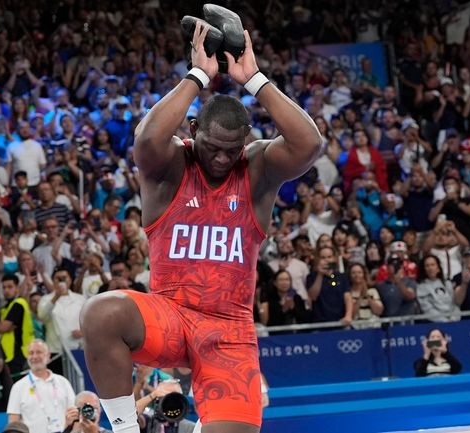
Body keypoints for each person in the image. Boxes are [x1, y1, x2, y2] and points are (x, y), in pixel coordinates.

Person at [80, 21, 322, 433]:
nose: (223, 159)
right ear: (193, 130)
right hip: (169, 315)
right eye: (213, 148)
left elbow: (309, 145)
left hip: (228, 332)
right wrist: (197, 76)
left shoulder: (258, 167)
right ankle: (125, 429)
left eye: (232, 150)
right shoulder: (171, 164)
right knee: (101, 313)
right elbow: (146, 140)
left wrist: (255, 79)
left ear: (245, 141)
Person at [6, 339, 76, 433]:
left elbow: (73, 414)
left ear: (48, 355)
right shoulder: (18, 387)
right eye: (31, 353)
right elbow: (13, 423)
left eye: (39, 352)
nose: (34, 356)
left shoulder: (63, 382)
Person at [37, 267, 86, 373]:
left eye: (64, 278)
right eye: (58, 278)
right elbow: (42, 316)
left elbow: (91, 321)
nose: (61, 281)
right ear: (53, 281)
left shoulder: (81, 299)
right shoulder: (46, 299)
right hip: (56, 351)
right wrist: (56, 296)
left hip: (79, 348)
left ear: (70, 280)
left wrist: (84, 332)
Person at [0, 274, 35, 377]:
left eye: (10, 287)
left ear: (17, 288)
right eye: (4, 287)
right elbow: (0, 329)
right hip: (9, 352)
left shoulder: (18, 304)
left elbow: (1, 328)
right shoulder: (5, 307)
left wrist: (0, 327)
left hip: (18, 353)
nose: (6, 290)